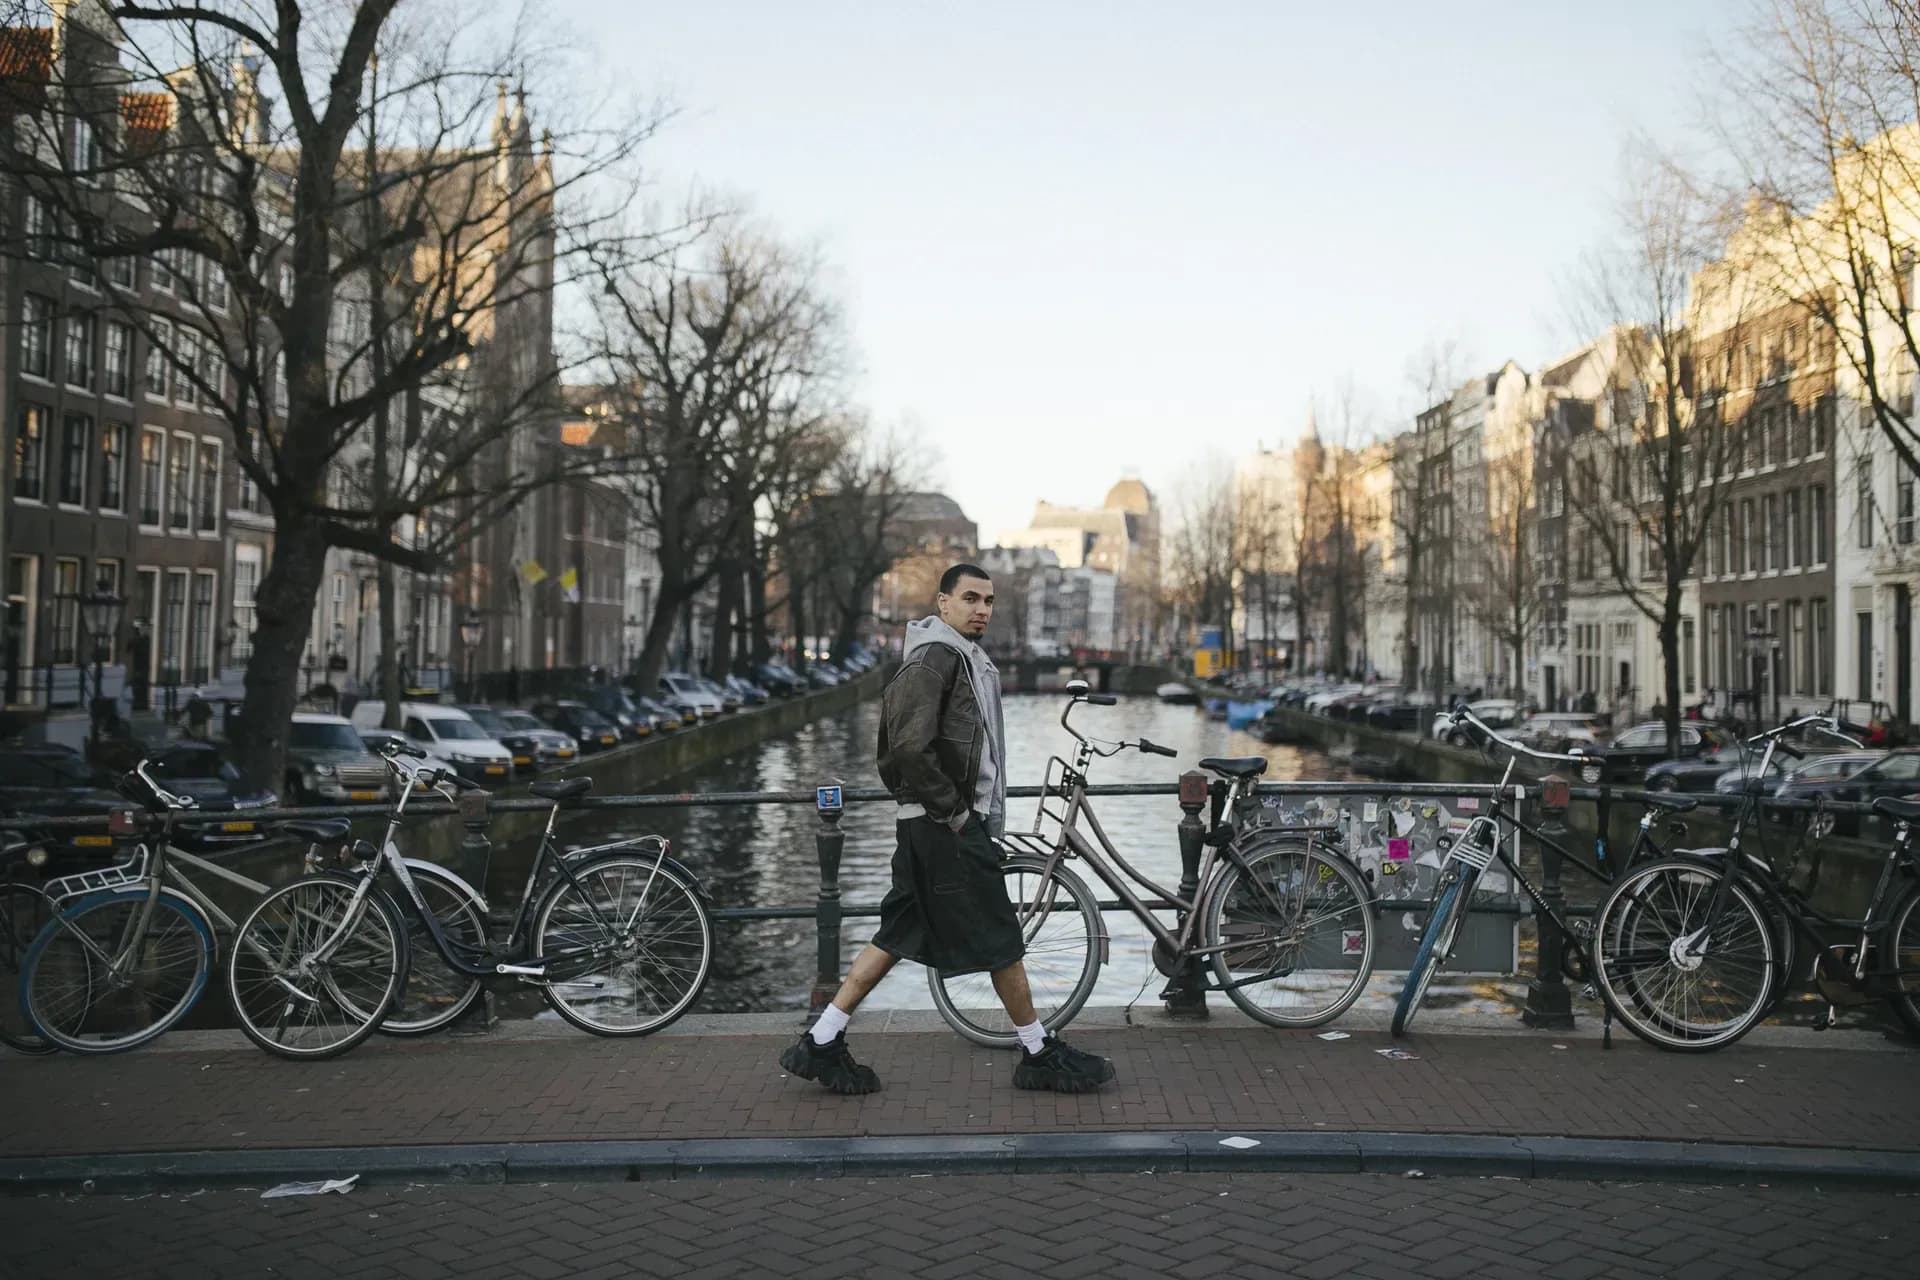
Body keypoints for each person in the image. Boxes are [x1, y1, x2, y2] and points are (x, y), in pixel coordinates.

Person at [779, 563, 1115, 1096]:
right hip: (944, 827)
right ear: (943, 603)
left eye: (988, 600)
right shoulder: (936, 658)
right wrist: (956, 814)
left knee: (896, 933)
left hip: (929, 825)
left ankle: (822, 1039)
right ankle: (1037, 1052)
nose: (982, 609)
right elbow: (907, 748)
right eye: (970, 598)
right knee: (1001, 936)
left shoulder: (961, 659)